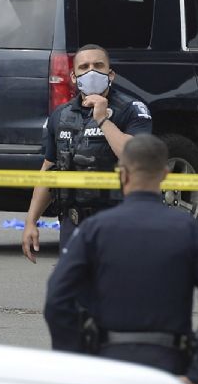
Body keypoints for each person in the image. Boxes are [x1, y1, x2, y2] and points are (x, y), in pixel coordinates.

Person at [44, 135, 198, 384]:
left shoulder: (94, 230)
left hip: (106, 366)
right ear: (165, 175)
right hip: (169, 369)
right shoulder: (190, 231)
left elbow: (57, 298)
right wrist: (197, 376)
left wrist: (77, 361)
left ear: (122, 173)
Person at [22, 44, 153, 263]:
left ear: (111, 74)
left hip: (119, 224)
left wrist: (103, 119)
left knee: (117, 294)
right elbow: (49, 169)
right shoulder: (61, 116)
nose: (91, 71)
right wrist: (30, 222)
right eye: (84, 67)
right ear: (74, 77)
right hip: (73, 225)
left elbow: (136, 158)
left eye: (98, 65)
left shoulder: (132, 109)